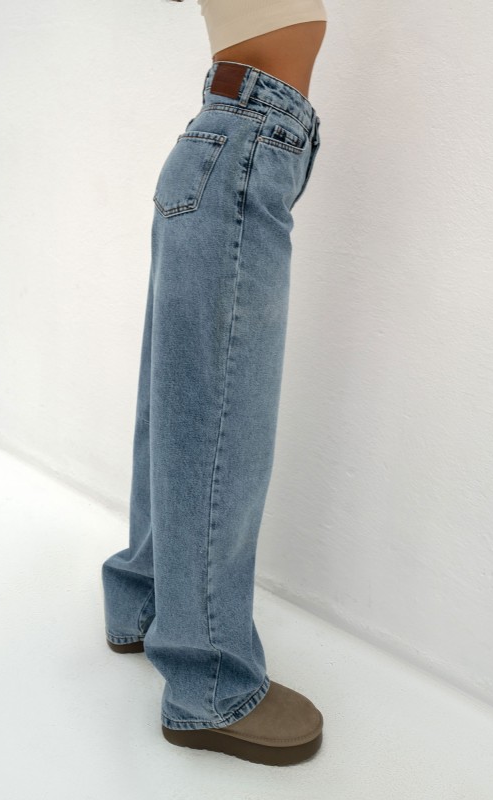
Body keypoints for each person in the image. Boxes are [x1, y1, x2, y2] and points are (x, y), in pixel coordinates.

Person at [102, 0, 328, 766]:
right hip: (245, 141)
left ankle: (142, 598)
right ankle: (209, 685)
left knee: (182, 403)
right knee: (220, 423)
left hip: (231, 136)